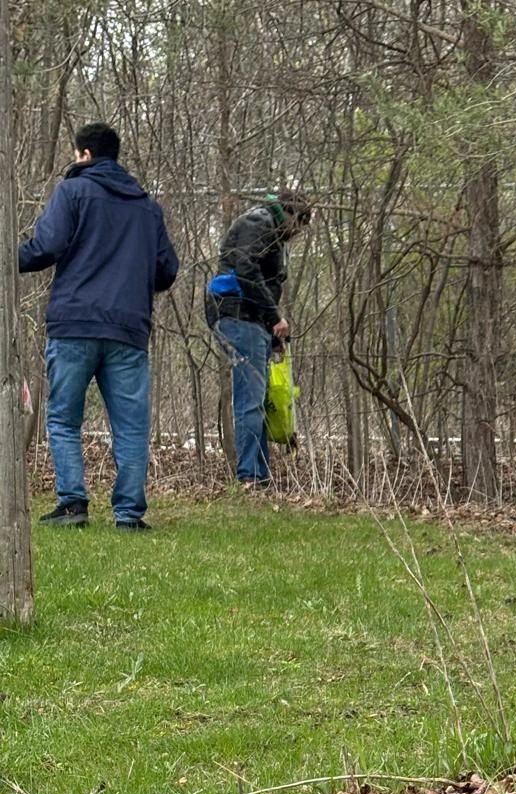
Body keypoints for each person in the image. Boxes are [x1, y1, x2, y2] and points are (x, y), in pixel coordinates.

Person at [19, 121, 178, 530]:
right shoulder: (147, 207)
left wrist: (11, 258)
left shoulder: (72, 191)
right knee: (131, 426)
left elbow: (46, 247)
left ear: (85, 154)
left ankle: (73, 505)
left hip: (74, 323)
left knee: (63, 418)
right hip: (128, 330)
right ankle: (129, 514)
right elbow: (167, 271)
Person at [206, 191, 312, 486]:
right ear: (291, 215)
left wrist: (271, 331)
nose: (298, 232)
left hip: (251, 319)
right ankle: (250, 476)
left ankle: (260, 475)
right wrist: (274, 317)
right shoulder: (259, 223)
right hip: (238, 316)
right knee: (251, 400)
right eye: (300, 224)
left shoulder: (270, 229)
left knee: (258, 399)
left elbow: (260, 278)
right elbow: (246, 271)